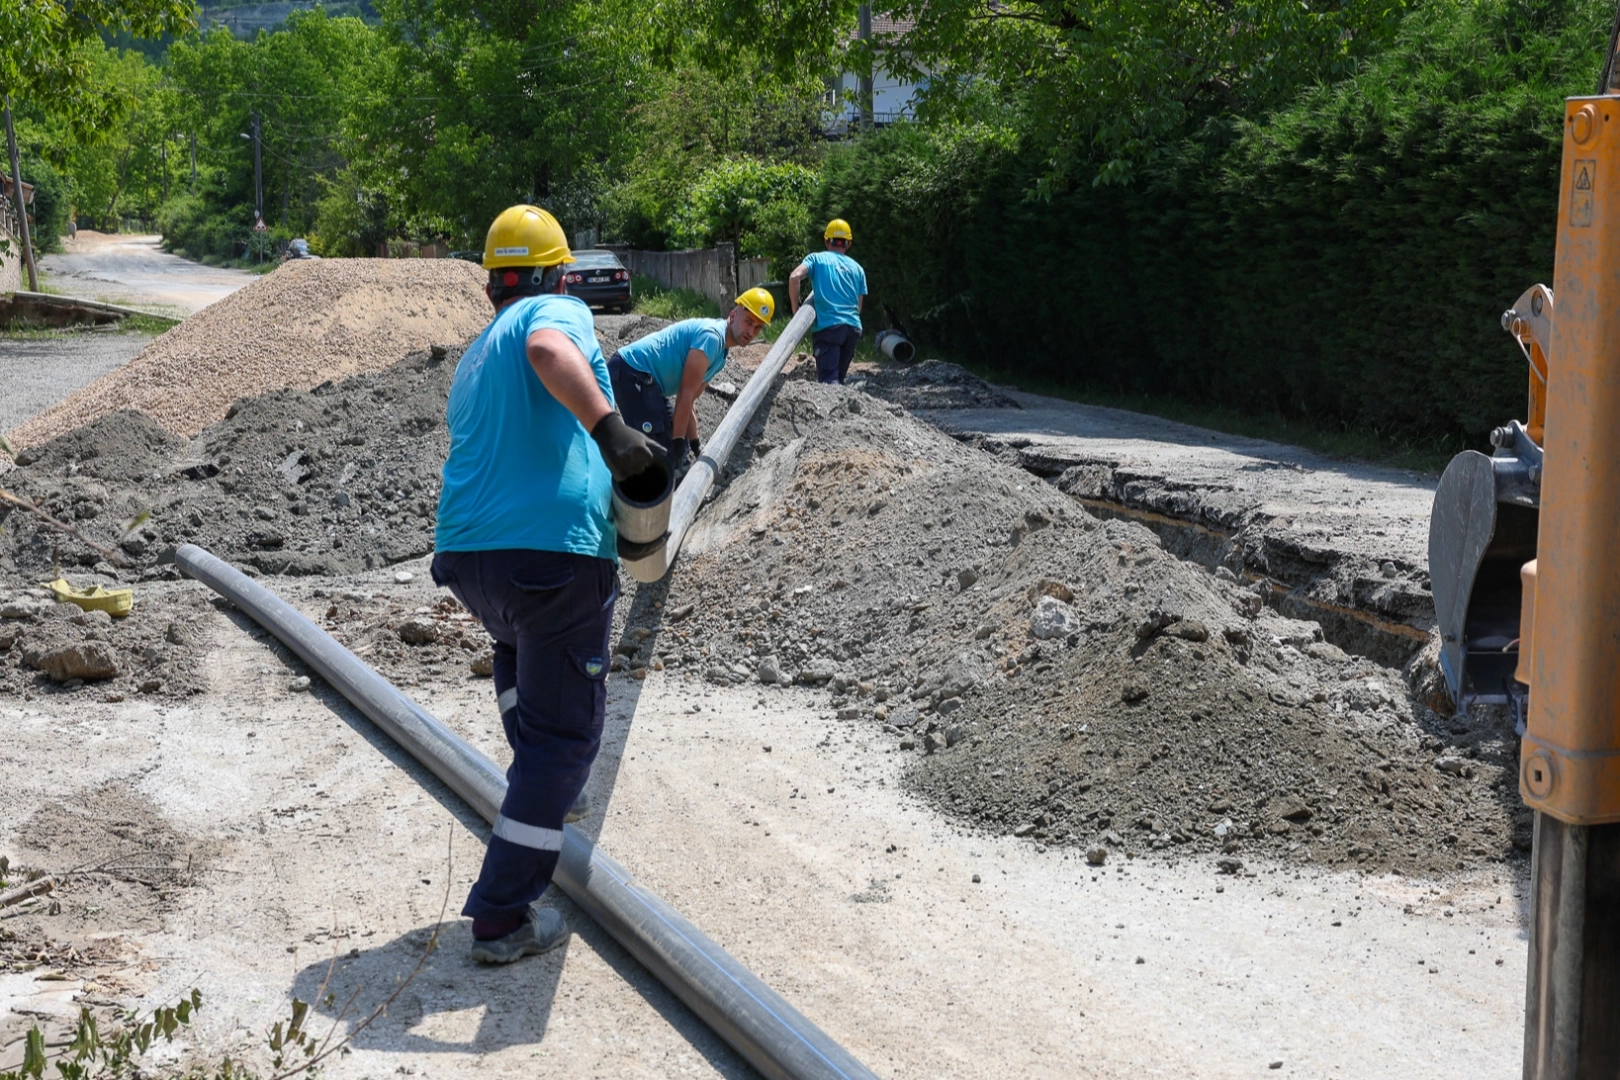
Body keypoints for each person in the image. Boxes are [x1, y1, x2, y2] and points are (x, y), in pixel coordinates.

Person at [431, 204, 663, 965]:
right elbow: (547, 347)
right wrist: (613, 433)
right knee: (566, 739)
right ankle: (502, 917)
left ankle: (544, 782)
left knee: (519, 650)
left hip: (472, 557)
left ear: (489, 284)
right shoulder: (551, 313)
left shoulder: (475, 352)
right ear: (561, 276)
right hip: (552, 555)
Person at [606, 287, 776, 472]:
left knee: (677, 445)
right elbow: (685, 394)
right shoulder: (711, 338)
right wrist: (677, 443)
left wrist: (695, 445)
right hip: (630, 371)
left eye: (757, 327)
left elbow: (690, 400)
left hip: (646, 380)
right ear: (733, 315)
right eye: (748, 322)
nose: (751, 331)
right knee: (660, 448)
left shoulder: (721, 356)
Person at [788, 218, 867, 384]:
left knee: (829, 383)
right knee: (839, 380)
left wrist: (796, 309)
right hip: (853, 329)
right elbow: (858, 307)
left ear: (826, 241)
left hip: (828, 328)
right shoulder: (858, 269)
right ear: (848, 243)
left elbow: (795, 277)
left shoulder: (817, 259)